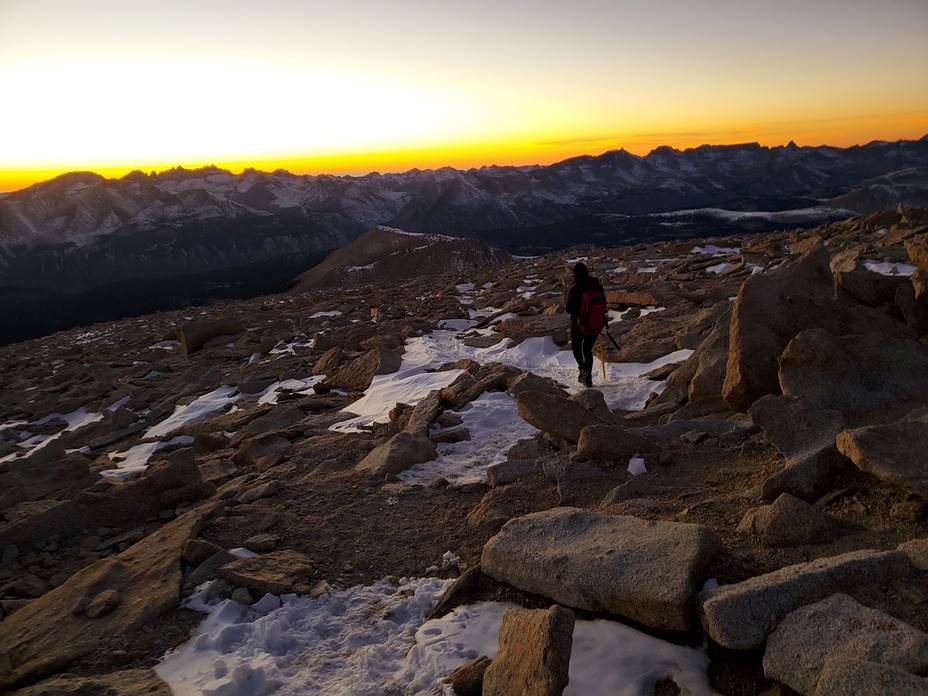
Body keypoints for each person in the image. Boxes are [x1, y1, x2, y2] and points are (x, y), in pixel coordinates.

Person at [565, 261, 606, 388]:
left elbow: (569, 309)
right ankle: (588, 377)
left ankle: (583, 370)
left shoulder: (575, 288)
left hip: (578, 324)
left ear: (575, 275)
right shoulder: (596, 285)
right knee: (587, 349)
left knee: (577, 348)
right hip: (595, 324)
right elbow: (604, 302)